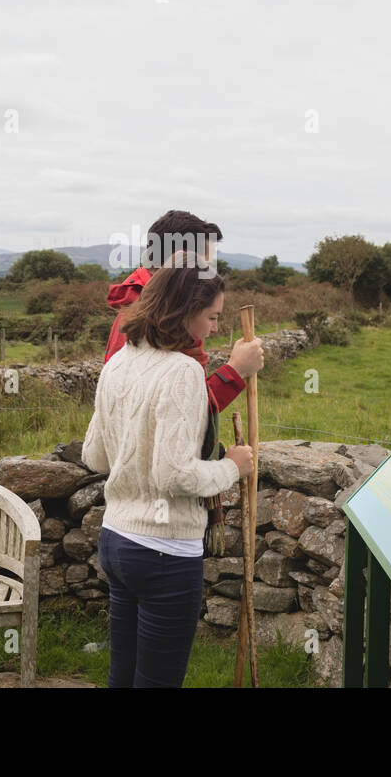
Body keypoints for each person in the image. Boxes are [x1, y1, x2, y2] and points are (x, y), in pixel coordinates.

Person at [82, 250, 256, 687]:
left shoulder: (120, 361)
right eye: (213, 317)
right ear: (186, 311)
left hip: (117, 541)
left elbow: (95, 456)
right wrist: (232, 467)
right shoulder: (181, 372)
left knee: (122, 675)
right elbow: (174, 476)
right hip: (164, 552)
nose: (216, 328)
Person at [105, 210, 264, 412]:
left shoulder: (165, 310)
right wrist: (236, 369)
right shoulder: (147, 321)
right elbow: (180, 414)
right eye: (202, 266)